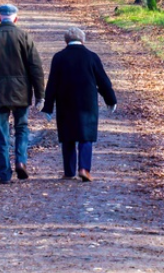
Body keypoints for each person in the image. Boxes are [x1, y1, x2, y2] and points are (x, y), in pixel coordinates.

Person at [0, 3, 45, 183]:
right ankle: (21, 161)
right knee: (22, 128)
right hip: (21, 91)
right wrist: (40, 95)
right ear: (16, 19)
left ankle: (4, 173)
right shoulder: (24, 37)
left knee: (1, 132)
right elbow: (36, 68)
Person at [41, 27, 116, 182]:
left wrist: (48, 106)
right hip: (87, 102)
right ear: (83, 40)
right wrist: (111, 100)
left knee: (67, 137)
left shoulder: (59, 57)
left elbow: (52, 84)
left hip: (65, 102)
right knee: (86, 136)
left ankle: (69, 172)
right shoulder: (91, 57)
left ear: (66, 41)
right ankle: (84, 169)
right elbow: (103, 82)